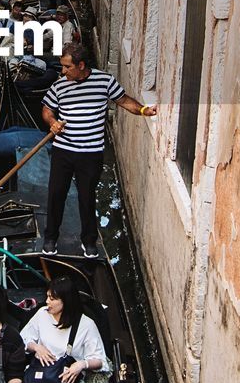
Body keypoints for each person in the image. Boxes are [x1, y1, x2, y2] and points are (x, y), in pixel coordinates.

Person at [41, 44, 155, 256]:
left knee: (87, 196)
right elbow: (47, 110)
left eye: (67, 67)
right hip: (63, 151)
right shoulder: (59, 86)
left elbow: (123, 100)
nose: (63, 71)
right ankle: (50, 239)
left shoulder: (104, 81)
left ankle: (89, 242)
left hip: (91, 153)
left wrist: (142, 110)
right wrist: (52, 122)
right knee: (56, 194)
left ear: (81, 65)